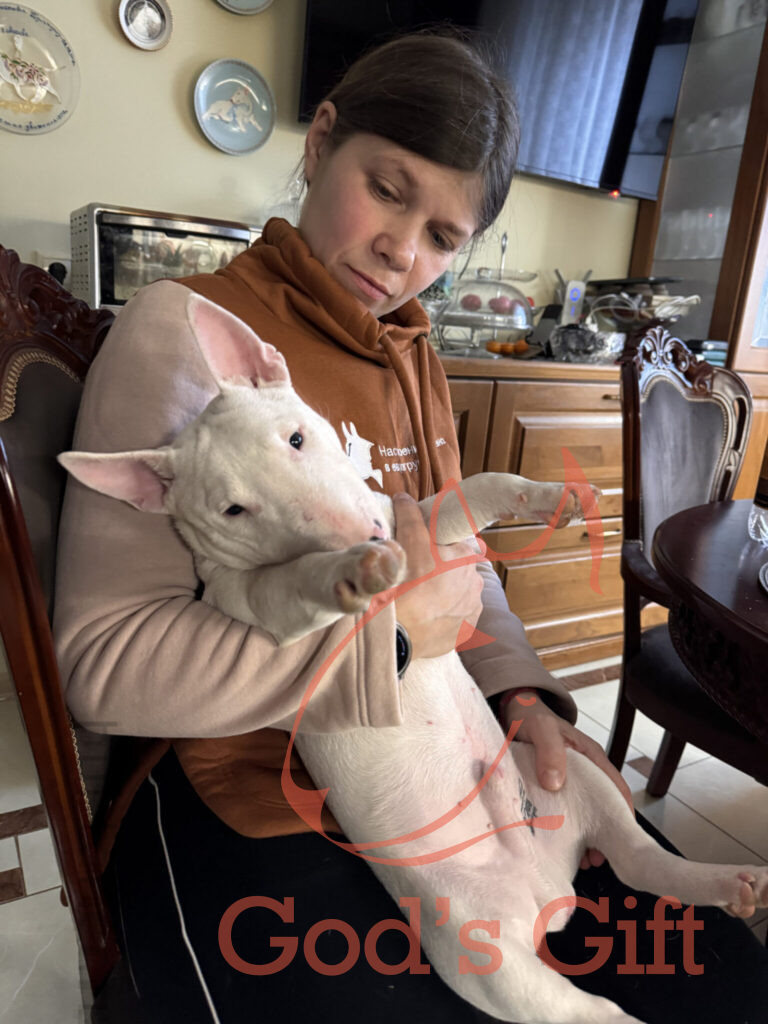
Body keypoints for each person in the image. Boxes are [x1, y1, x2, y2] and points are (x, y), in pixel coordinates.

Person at [54, 30, 768, 1024]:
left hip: (460, 760)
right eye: (387, 191)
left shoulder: (412, 354)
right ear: (321, 143)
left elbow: (463, 568)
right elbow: (104, 665)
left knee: (729, 980)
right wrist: (382, 644)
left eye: (443, 235)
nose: (403, 252)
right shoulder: (188, 331)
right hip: (249, 790)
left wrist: (524, 696)